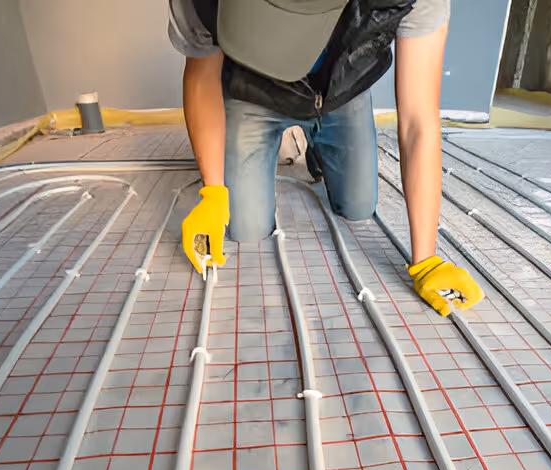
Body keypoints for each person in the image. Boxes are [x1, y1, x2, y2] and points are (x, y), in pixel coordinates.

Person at [168, 0, 483, 316]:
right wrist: (212, 193)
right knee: (246, 228)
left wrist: (425, 260)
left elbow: (418, 120)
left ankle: (317, 146)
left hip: (341, 93)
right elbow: (201, 71)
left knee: (359, 206)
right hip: (253, 96)